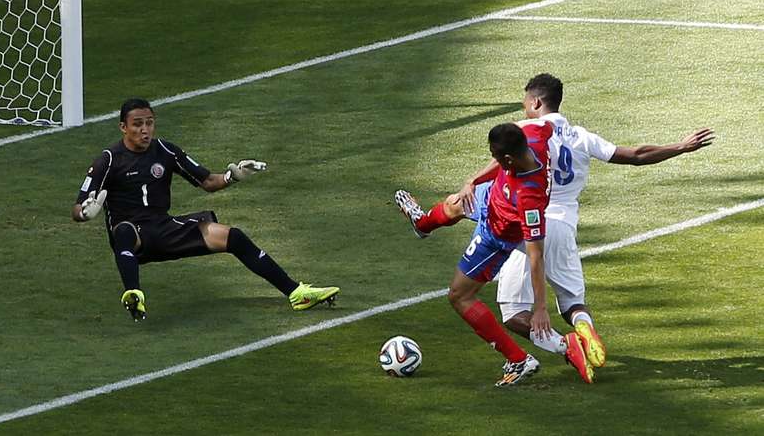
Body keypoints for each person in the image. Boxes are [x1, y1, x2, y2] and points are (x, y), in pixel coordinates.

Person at [396, 73, 714, 383]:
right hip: (562, 226)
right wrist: (680, 147)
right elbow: (635, 156)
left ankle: (555, 349)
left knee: (508, 311)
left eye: (524, 103)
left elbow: (509, 172)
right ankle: (583, 327)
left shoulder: (532, 132)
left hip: (521, 222)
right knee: (573, 302)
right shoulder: (576, 136)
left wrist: (541, 308)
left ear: (535, 102)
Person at [72, 98, 340, 322]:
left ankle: (297, 294)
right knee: (125, 232)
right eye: (137, 124)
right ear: (123, 127)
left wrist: (232, 177)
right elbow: (77, 208)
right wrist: (86, 213)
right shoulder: (107, 160)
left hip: (164, 229)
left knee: (233, 236)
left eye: (149, 123)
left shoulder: (165, 150)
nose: (145, 130)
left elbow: (207, 182)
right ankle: (134, 294)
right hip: (132, 237)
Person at [397, 120, 555, 386]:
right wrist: (473, 180)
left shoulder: (529, 200)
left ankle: (518, 359)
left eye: (494, 156)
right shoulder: (534, 135)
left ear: (507, 160)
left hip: (497, 233)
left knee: (459, 295)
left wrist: (540, 308)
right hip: (493, 196)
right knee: (456, 202)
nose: (492, 159)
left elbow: (536, 256)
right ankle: (422, 224)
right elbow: (547, 125)